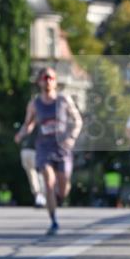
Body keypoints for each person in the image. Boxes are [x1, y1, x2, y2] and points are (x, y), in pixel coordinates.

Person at [15, 66, 82, 235]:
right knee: (48, 182)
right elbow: (28, 124)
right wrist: (21, 134)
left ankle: (59, 198)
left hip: (62, 147)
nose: (48, 81)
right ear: (39, 82)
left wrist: (71, 137)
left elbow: (77, 121)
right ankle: (53, 221)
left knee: (63, 187)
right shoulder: (34, 104)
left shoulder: (64, 100)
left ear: (56, 80)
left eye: (51, 78)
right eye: (45, 78)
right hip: (44, 147)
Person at [18, 123, 47, 207]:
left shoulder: (26, 124)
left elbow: (18, 138)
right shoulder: (41, 122)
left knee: (32, 174)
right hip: (35, 151)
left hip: (25, 151)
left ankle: (38, 195)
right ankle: (41, 195)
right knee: (40, 173)